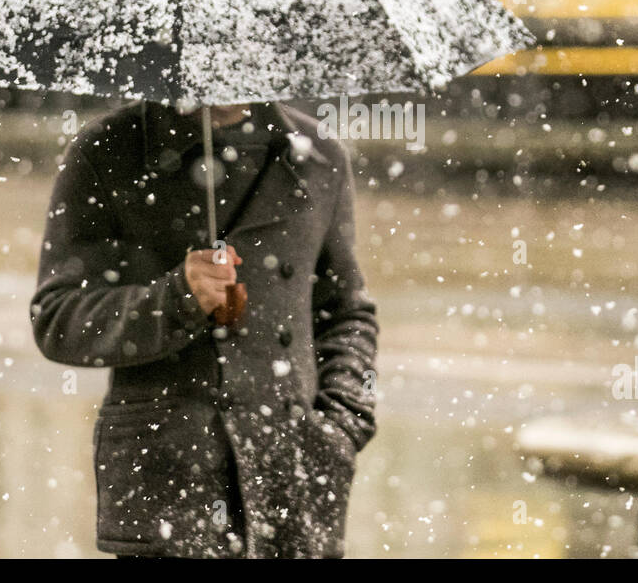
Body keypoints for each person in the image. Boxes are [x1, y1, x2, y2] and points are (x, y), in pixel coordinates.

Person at [30, 99, 378, 558]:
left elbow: (345, 313)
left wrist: (341, 423)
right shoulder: (108, 150)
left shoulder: (318, 155)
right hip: (167, 483)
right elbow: (58, 318)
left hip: (293, 476)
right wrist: (176, 299)